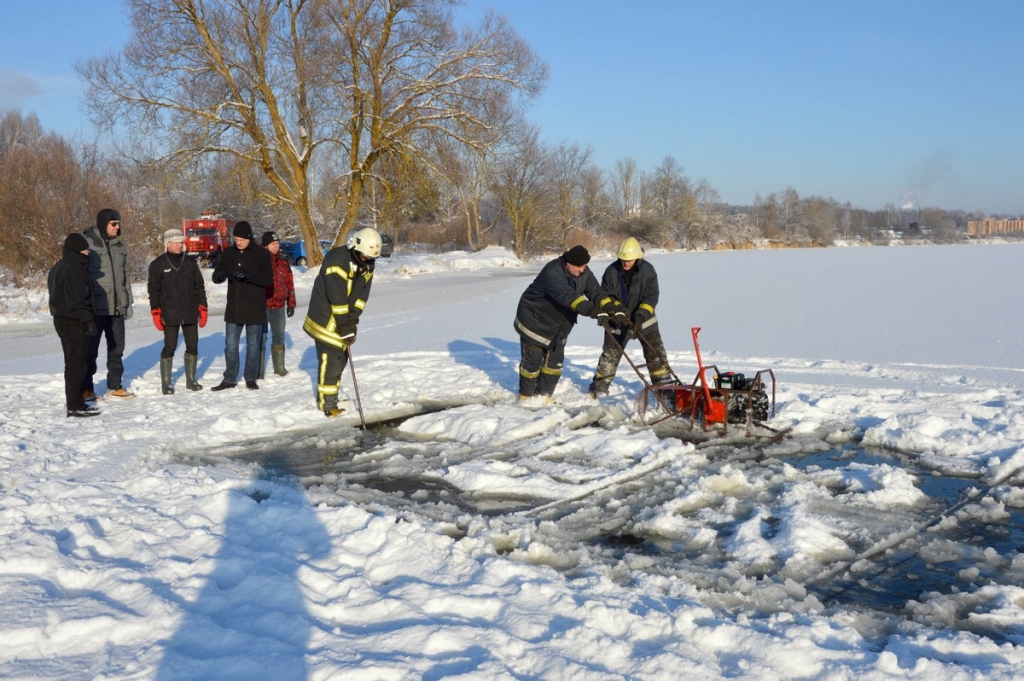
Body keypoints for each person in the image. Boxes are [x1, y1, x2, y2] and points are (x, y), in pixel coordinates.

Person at [513, 245, 623, 400]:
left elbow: (596, 292)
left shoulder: (583, 272)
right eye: (579, 266)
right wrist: (594, 312)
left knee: (554, 363)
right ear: (567, 263)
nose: (582, 270)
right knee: (533, 361)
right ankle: (526, 396)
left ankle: (543, 397)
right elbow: (570, 298)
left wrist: (611, 308)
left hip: (559, 324)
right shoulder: (551, 272)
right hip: (534, 320)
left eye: (584, 266)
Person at [303, 228, 380, 416]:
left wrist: (352, 321)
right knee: (333, 360)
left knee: (341, 358)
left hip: (343, 318)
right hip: (324, 317)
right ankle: (327, 405)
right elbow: (337, 297)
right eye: (364, 256)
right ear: (354, 247)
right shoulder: (336, 260)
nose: (367, 259)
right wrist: (344, 325)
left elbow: (361, 296)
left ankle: (332, 397)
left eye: (370, 257)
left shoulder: (368, 264)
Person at [588, 237, 675, 397]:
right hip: (618, 321)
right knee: (610, 355)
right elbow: (606, 297)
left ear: (637, 257)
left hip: (646, 321)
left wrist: (640, 316)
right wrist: (617, 312)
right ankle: (599, 388)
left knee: (655, 353)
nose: (625, 263)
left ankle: (664, 387)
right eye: (622, 259)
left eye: (628, 260)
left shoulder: (648, 271)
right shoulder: (611, 272)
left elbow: (651, 296)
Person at [210, 221, 273, 390]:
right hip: (234, 308)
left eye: (242, 239)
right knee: (230, 345)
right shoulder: (229, 253)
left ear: (249, 238)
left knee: (253, 345)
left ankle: (250, 377)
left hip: (254, 307)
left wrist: (249, 276)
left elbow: (267, 280)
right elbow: (217, 273)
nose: (238, 242)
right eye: (236, 239)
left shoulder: (261, 254)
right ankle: (230, 378)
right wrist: (219, 275)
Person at [147, 228, 209, 395]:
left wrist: (203, 307)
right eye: (177, 242)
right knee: (170, 346)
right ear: (168, 244)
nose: (181, 245)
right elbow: (153, 290)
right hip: (170, 313)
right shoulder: (157, 265)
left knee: (192, 345)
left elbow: (199, 286)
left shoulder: (189, 262)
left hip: (190, 311)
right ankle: (166, 383)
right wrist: (156, 311)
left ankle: (191, 380)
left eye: (182, 242)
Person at [83, 208, 135, 400]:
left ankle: (115, 386)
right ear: (103, 223)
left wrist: (128, 301)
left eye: (119, 223)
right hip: (97, 307)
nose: (117, 226)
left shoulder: (119, 245)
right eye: (114, 223)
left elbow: (125, 276)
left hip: (117, 306)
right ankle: (86, 388)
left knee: (116, 348)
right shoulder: (88, 243)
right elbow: (81, 275)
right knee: (90, 350)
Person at [48, 233, 100, 417]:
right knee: (76, 365)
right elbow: (77, 300)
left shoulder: (59, 266)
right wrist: (88, 320)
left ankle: (76, 402)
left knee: (74, 363)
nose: (88, 252)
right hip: (73, 321)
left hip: (63, 319)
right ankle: (75, 405)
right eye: (85, 249)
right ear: (77, 250)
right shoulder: (73, 269)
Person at [259, 230, 296, 378]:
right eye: (273, 244)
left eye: (277, 243)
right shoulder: (260, 260)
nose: (276, 246)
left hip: (279, 306)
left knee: (279, 337)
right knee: (261, 338)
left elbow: (289, 283)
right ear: (266, 245)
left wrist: (291, 303)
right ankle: (258, 371)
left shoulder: (283, 260)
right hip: (263, 305)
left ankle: (279, 367)